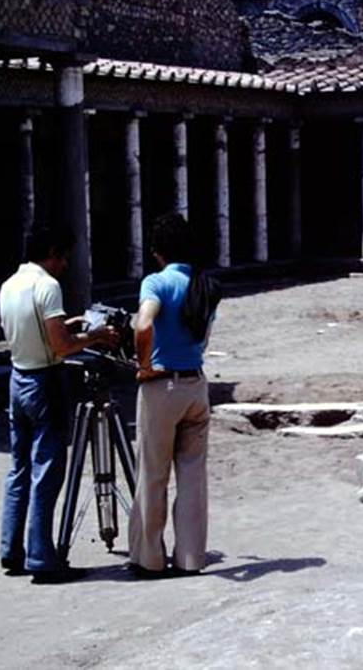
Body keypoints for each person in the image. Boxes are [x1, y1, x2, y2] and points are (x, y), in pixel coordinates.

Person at [0, 224, 118, 584]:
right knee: (47, 471)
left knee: (19, 469)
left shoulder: (10, 284)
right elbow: (61, 347)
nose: (65, 264)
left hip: (17, 378)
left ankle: (11, 549)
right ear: (52, 251)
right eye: (64, 256)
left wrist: (71, 325)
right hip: (44, 381)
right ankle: (42, 558)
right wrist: (96, 335)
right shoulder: (47, 286)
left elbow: (41, 331)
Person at [128, 213, 219, 579]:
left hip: (162, 386)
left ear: (158, 251)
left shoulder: (157, 282)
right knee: (193, 477)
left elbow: (144, 324)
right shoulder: (205, 285)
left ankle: (149, 557)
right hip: (196, 384)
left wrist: (143, 364)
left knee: (153, 474)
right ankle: (190, 557)